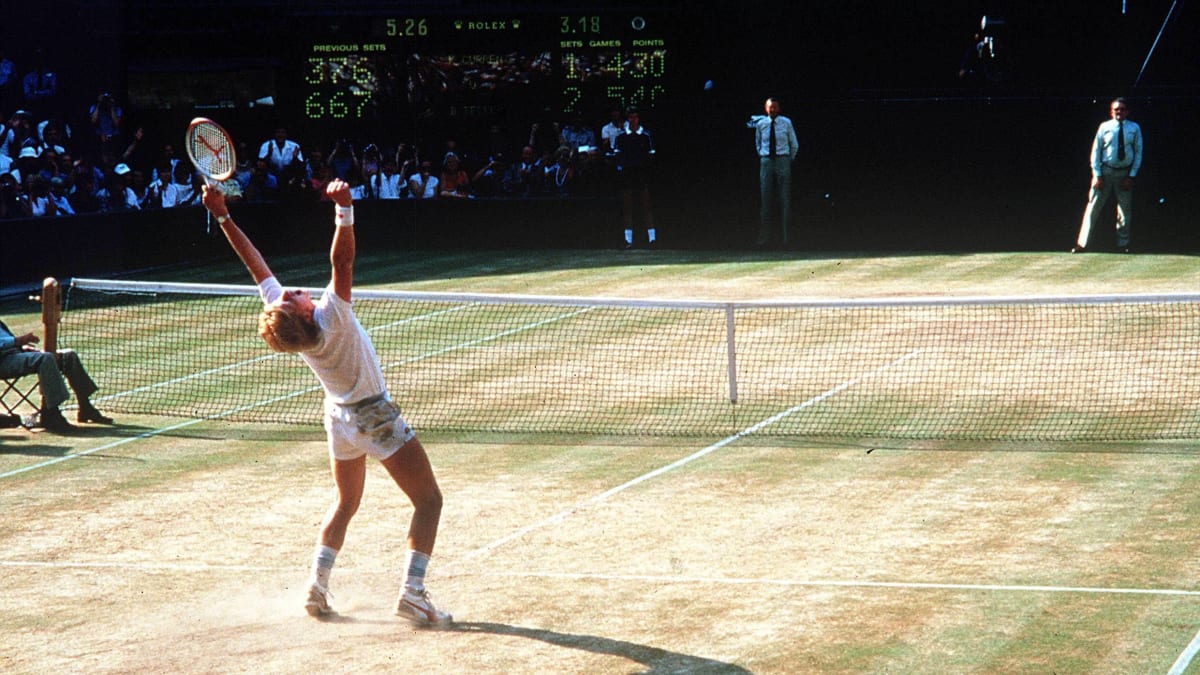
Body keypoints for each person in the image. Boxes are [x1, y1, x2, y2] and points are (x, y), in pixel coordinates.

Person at [200, 179, 452, 626]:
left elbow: (255, 266)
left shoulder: (297, 326)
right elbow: (343, 260)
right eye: (293, 296)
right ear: (299, 313)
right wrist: (345, 209)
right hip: (374, 416)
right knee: (429, 501)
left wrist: (222, 215)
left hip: (339, 418)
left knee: (345, 502)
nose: (292, 291)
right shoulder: (332, 315)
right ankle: (413, 593)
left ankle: (315, 588)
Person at [0, 318, 112, 432]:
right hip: (3, 361)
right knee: (45, 358)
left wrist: (21, 347)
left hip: (14, 354)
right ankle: (51, 414)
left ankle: (85, 407)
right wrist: (17, 341)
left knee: (69, 356)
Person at [1073, 97, 1144, 254]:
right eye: (1116, 109)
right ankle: (1082, 244)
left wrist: (1131, 176)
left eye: (1122, 109)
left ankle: (1123, 244)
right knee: (1093, 208)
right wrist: (1097, 175)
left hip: (1124, 173)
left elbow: (1138, 153)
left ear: (1127, 111)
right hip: (1105, 172)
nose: (1119, 112)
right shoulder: (1104, 127)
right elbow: (1096, 151)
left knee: (1124, 211)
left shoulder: (1134, 128)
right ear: (1112, 111)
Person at [751, 97, 799, 246]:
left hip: (782, 160)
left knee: (785, 198)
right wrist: (763, 155)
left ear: (779, 108)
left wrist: (787, 159)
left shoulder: (786, 122)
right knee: (765, 199)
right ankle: (764, 238)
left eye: (775, 107)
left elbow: (794, 143)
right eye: (770, 107)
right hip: (766, 161)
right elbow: (758, 143)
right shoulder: (761, 124)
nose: (773, 110)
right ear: (766, 109)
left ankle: (787, 238)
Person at [613, 106, 656, 248]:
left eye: (635, 117)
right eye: (630, 117)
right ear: (627, 119)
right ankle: (628, 241)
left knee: (646, 206)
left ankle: (652, 239)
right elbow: (617, 156)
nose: (633, 120)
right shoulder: (621, 137)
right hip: (627, 174)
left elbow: (651, 156)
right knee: (628, 207)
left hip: (642, 174)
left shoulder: (646, 135)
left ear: (638, 118)